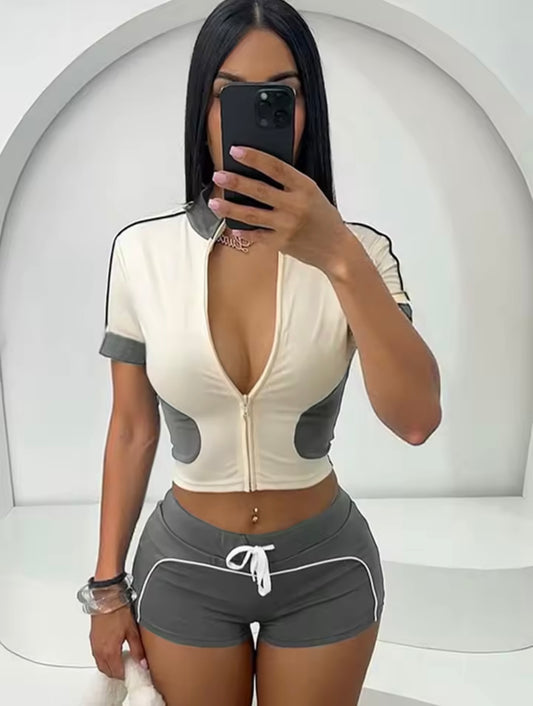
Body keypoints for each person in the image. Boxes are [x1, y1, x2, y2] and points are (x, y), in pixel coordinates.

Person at [77, 1, 441, 704]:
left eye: (281, 93)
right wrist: (105, 586)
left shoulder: (362, 255)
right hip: (183, 567)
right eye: (229, 94)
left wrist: (336, 254)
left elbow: (417, 419)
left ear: (307, 111)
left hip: (326, 566)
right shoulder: (143, 253)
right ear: (203, 109)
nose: (254, 113)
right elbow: (130, 429)